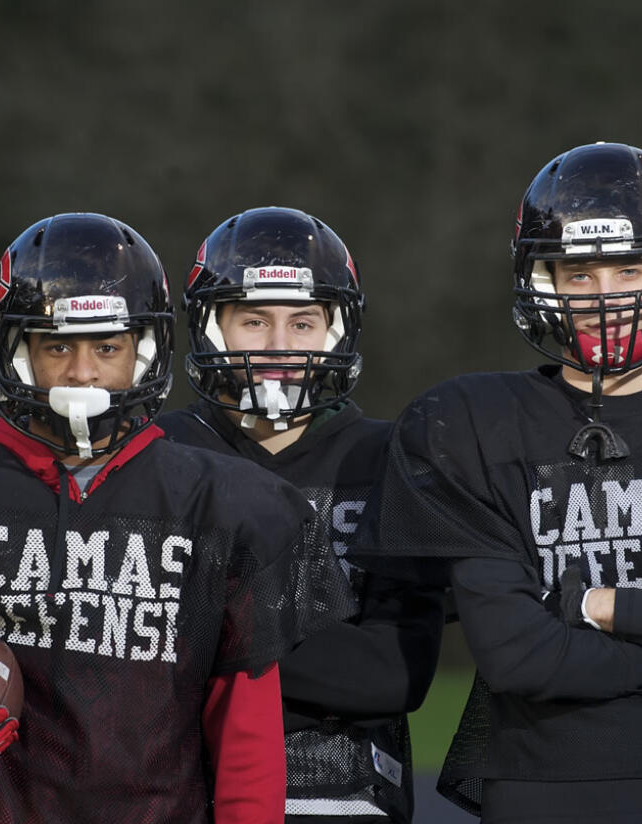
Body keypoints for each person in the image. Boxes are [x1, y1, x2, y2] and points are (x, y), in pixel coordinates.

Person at [0, 212, 354, 824]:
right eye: (58, 346)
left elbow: (244, 726)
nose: (83, 372)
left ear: (144, 350)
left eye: (107, 347)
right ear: (19, 350)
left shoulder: (228, 507)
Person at [351, 141, 642, 823]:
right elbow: (517, 654)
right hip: (540, 784)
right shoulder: (469, 422)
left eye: (630, 268)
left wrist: (594, 604)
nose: (607, 298)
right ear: (542, 285)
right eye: (578, 275)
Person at [158, 206, 445, 823]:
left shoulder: (390, 457)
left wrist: (202, 643)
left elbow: (392, 676)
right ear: (211, 330)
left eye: (303, 322)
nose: (279, 345)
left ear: (337, 332)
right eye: (254, 321)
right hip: (169, 790)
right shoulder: (156, 454)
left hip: (342, 792)